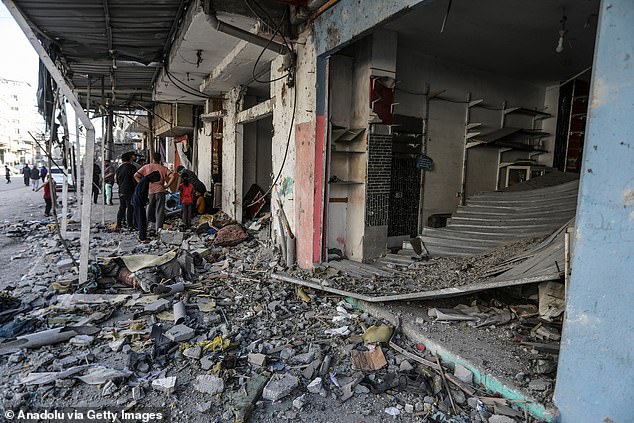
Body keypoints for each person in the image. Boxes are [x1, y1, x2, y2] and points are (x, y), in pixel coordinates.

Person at [134, 153, 174, 234]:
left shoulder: (146, 167)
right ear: (160, 159)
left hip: (150, 191)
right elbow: (172, 176)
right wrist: (167, 186)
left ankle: (145, 227)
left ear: (152, 158)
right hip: (160, 190)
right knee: (159, 210)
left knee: (149, 209)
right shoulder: (163, 168)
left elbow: (136, 175)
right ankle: (158, 229)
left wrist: (142, 184)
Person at [132, 171, 161, 243]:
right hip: (138, 202)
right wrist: (145, 200)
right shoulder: (145, 181)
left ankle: (142, 236)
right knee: (142, 220)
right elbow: (142, 193)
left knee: (140, 219)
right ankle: (143, 238)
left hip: (137, 201)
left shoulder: (144, 180)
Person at [115, 152, 137, 230]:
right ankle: (130, 225)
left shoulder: (119, 169)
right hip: (129, 190)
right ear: (130, 158)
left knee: (122, 207)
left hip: (121, 190)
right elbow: (135, 179)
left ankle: (118, 223)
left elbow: (116, 180)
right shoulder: (132, 167)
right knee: (130, 207)